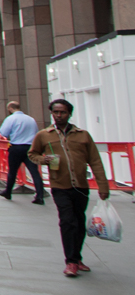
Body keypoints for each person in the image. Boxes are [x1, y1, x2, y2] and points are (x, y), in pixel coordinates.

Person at [28, 99, 110, 278]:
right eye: (55, 112)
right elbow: (32, 154)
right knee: (67, 221)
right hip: (59, 186)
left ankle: (77, 258)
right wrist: (43, 159)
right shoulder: (44, 135)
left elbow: (95, 161)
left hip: (80, 186)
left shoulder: (83, 135)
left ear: (69, 114)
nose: (59, 115)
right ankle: (70, 261)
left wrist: (103, 186)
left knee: (79, 222)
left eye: (63, 112)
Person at [0, 100, 45, 204]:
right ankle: (40, 196)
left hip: (16, 147)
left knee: (12, 171)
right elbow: (36, 133)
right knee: (34, 172)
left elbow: (4, 133)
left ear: (10, 108)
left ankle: (8, 192)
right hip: (30, 147)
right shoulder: (31, 119)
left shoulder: (10, 119)